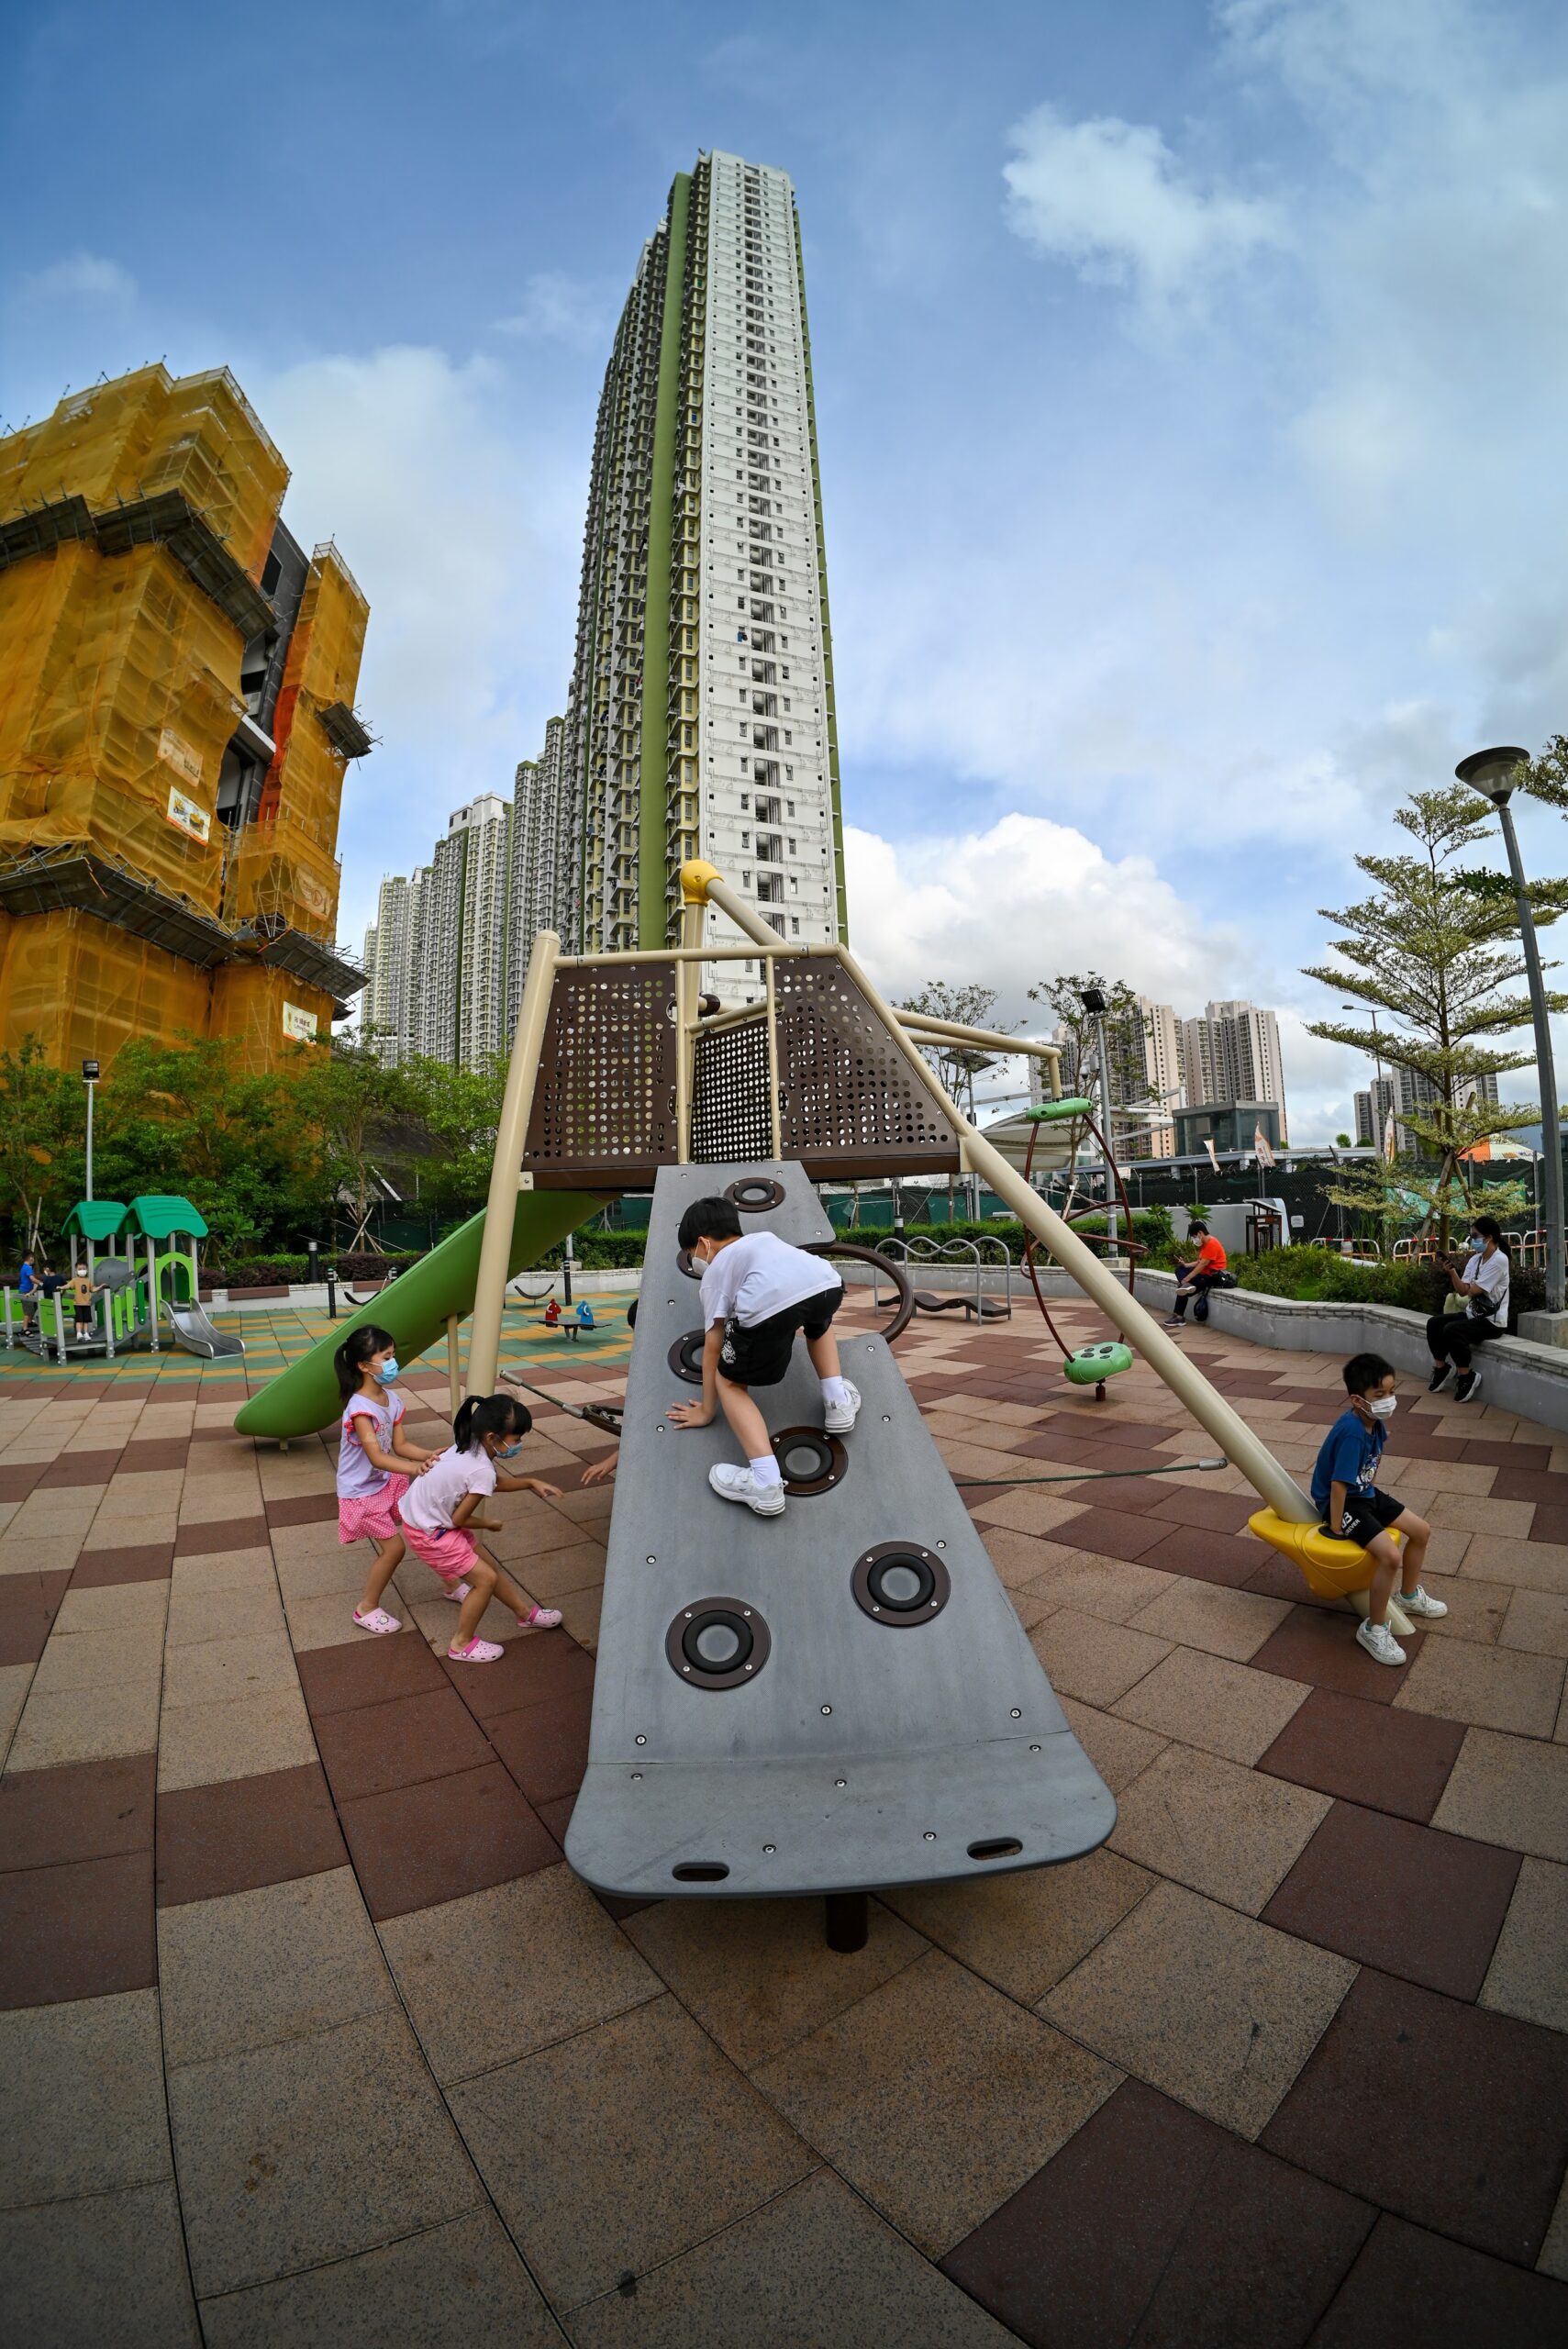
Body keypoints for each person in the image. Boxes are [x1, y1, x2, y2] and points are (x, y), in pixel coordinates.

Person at [667, 1196, 859, 1517]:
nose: (694, 1262)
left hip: (768, 1308)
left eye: (691, 1255)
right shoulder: (765, 1240)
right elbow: (792, 1287)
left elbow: (713, 1342)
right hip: (826, 1284)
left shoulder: (714, 1273)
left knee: (730, 1382)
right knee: (818, 1326)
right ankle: (837, 1402)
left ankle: (765, 1482)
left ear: (703, 1243)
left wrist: (707, 1410)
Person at [400, 1393, 566, 1663]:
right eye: (516, 1439)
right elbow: (460, 1519)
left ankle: (525, 1614)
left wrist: (530, 1482)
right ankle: (461, 1644)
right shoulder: (481, 1469)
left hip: (426, 1521)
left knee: (489, 1566)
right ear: (492, 1437)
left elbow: (492, 1483)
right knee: (485, 1580)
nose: (519, 1445)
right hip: (432, 1532)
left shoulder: (466, 1446)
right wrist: (488, 1523)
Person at [1312, 1351, 1447, 1667]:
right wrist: (1336, 1528)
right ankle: (1373, 1629)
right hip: (1342, 1502)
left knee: (1421, 1531)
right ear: (1357, 1400)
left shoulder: (1373, 1421)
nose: (1389, 1400)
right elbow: (1338, 1486)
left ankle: (1408, 1596)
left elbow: (1368, 1469)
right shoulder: (1353, 1433)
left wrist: (1373, 1502)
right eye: (1379, 1394)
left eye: (1391, 1391)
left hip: (1364, 1493)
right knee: (1390, 1557)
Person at [338, 1325, 443, 1637]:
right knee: (395, 1549)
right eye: (386, 1357)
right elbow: (376, 1457)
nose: (393, 1363)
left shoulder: (391, 1399)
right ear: (363, 1365)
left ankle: (452, 1583)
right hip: (361, 1492)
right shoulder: (359, 1409)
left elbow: (401, 1445)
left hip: (386, 1481)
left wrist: (428, 1455)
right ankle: (366, 1608)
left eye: (393, 1355)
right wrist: (416, 1468)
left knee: (423, 1525)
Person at [1428, 1214, 1510, 1403]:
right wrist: (1452, 1272)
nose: (1472, 1240)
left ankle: (1466, 1376)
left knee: (1453, 1330)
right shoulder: (1475, 1260)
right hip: (1473, 1315)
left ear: (1488, 1238)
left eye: (1475, 1236)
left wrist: (1469, 1287)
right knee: (1434, 1323)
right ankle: (1442, 1369)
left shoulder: (1499, 1260)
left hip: (1492, 1322)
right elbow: (1463, 1291)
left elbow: (1473, 1291)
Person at [1165, 1221, 1228, 1327]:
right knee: (1179, 1270)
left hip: (1211, 1277)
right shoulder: (1205, 1244)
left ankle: (1179, 1317)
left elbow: (1203, 1264)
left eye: (1194, 1237)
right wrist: (1185, 1265)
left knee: (1182, 1288)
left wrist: (1187, 1279)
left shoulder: (1212, 1243)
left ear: (1200, 1233)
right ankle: (1186, 1290)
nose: (1194, 1239)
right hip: (1203, 1275)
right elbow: (1199, 1262)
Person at [67, 1260, 104, 1342]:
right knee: (79, 1319)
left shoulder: (88, 1280)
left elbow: (92, 1289)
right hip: (78, 1304)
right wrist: (60, 1287)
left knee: (86, 1320)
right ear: (76, 1270)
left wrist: (101, 1287)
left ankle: (86, 1333)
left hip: (87, 1304)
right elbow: (68, 1285)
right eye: (80, 1269)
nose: (82, 1270)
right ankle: (79, 1334)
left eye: (84, 1269)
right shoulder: (75, 1280)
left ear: (86, 1269)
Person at [17, 1252, 37, 1331]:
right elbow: (33, 1279)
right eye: (33, 1257)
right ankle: (24, 1329)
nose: (33, 1259)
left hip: (29, 1291)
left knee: (34, 1306)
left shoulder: (24, 1267)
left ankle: (29, 1322)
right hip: (25, 1292)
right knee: (27, 1311)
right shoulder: (28, 1268)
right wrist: (42, 1283)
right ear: (30, 1258)